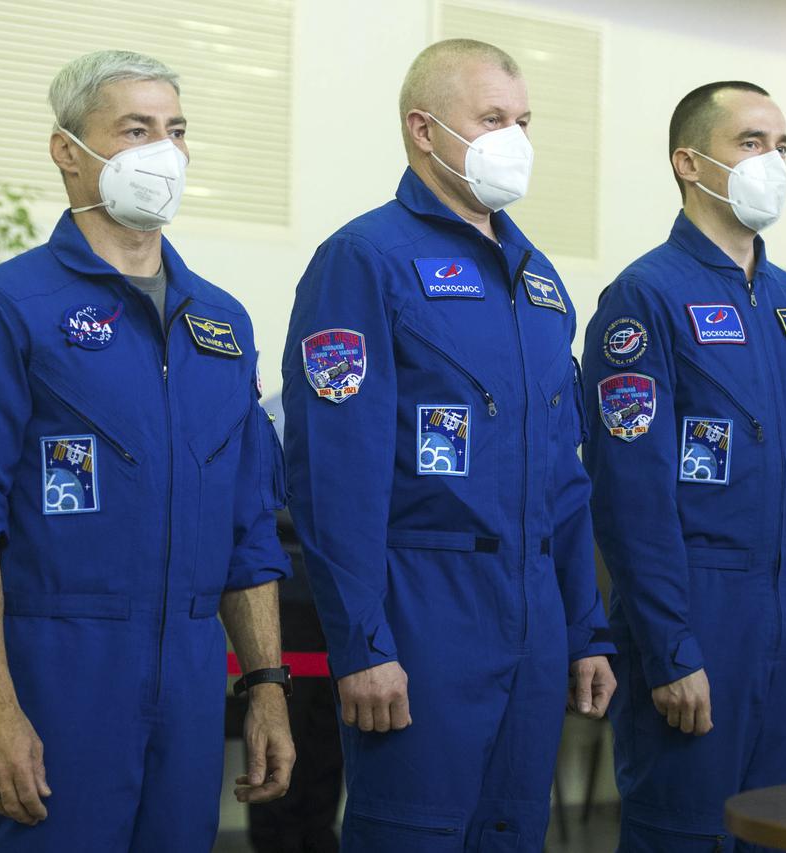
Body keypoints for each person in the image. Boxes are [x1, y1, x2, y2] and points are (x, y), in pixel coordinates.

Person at [0, 50, 294, 852]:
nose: (165, 151)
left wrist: (266, 683)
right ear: (66, 151)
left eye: (176, 130)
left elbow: (249, 526)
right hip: (58, 679)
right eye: (136, 129)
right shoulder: (4, 308)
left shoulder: (220, 326)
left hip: (189, 682)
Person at [281, 38, 616, 852]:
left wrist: (586, 627)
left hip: (534, 617)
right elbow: (334, 474)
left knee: (512, 832)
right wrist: (361, 641)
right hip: (422, 613)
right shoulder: (364, 259)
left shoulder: (538, 280)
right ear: (424, 130)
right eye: (493, 118)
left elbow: (565, 479)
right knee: (414, 834)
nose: (517, 139)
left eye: (525, 120)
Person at [581, 81, 786, 850]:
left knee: (777, 831)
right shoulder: (643, 298)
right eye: (751, 143)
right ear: (690, 162)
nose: (772, 161)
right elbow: (630, 498)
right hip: (700, 614)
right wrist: (672, 648)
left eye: (782, 147)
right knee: (685, 832)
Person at [246, 392, 344, 853]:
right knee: (284, 731)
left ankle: (320, 836)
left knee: (331, 738)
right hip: (285, 595)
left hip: (342, 595)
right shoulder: (271, 409)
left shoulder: (358, 404)